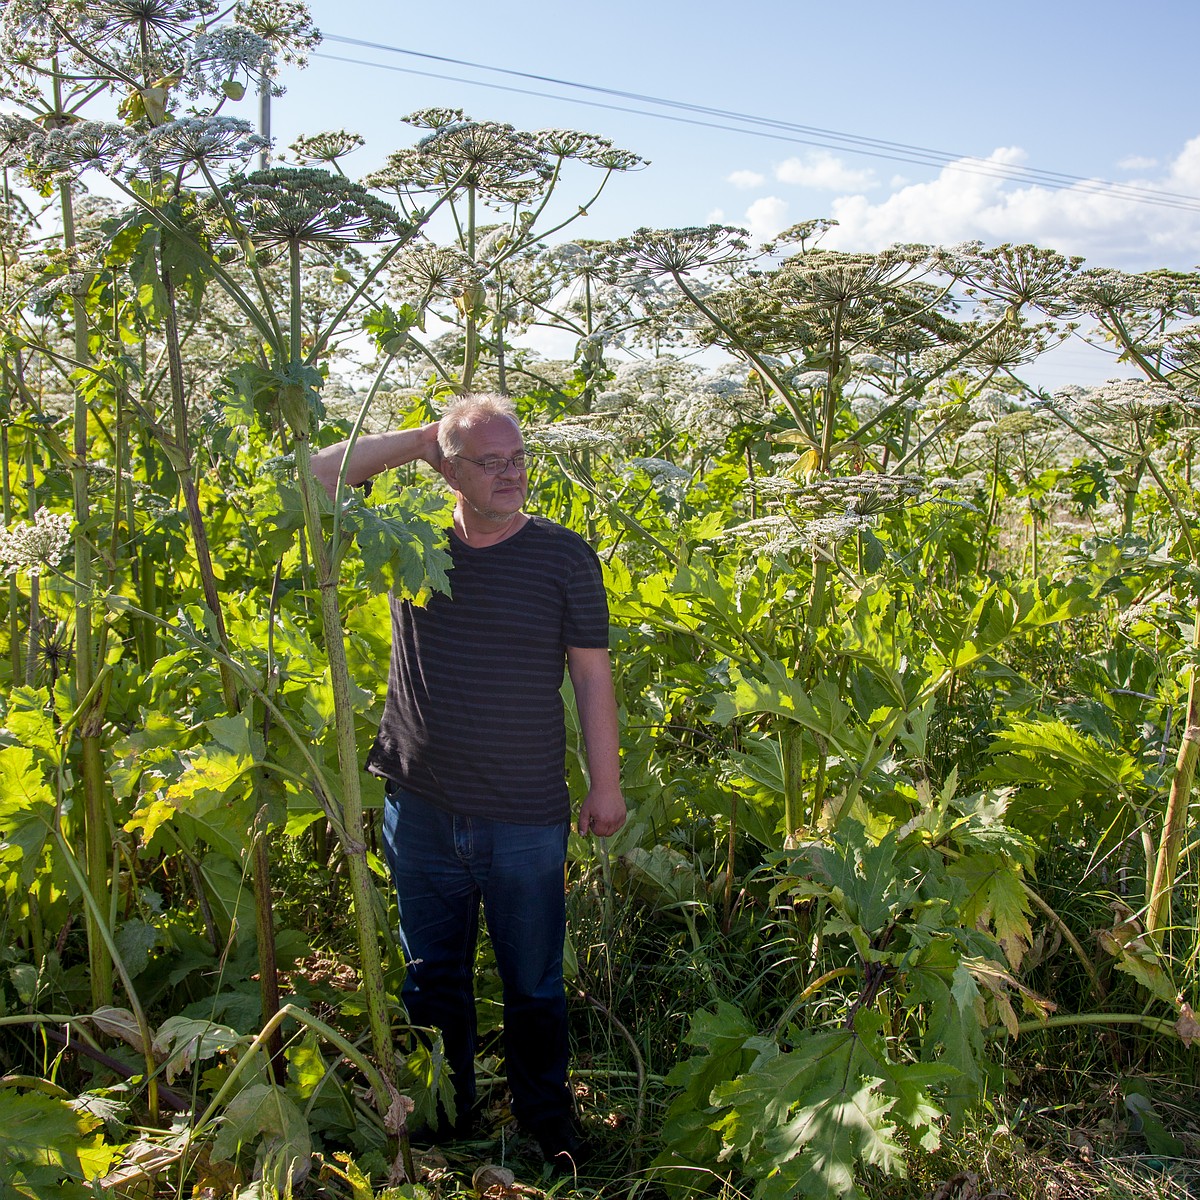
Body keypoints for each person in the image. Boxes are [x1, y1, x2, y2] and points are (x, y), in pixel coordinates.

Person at [312, 394, 625, 1169]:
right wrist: (421, 437)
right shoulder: (407, 541)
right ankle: (446, 1112)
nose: (512, 474)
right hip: (418, 807)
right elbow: (312, 479)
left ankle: (549, 1124)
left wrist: (604, 784)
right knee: (433, 980)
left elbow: (591, 676)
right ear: (447, 470)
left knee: (534, 984)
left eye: (517, 457)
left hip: (524, 815)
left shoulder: (562, 555)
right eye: (489, 461)